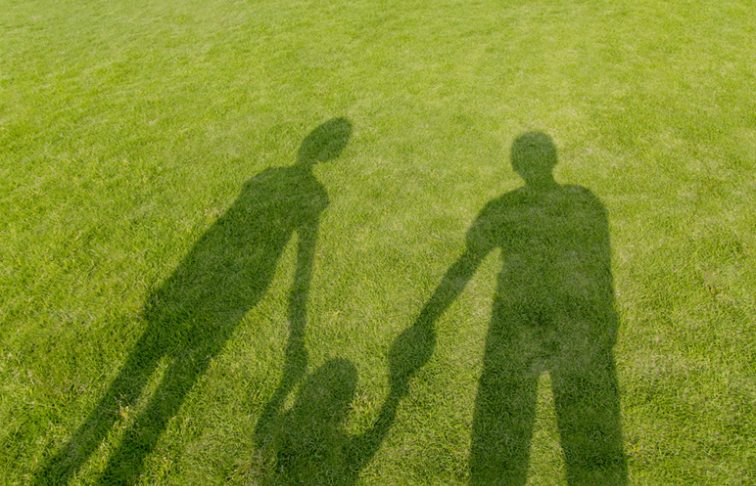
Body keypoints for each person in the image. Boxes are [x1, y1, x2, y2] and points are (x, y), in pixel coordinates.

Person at [36, 118, 352, 486]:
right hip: (243, 281)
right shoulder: (312, 191)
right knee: (172, 370)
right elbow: (301, 253)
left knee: (149, 363)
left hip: (204, 275)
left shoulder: (268, 177)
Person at [391, 132, 627, 485]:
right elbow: (600, 261)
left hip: (521, 325)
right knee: (590, 433)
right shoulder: (585, 201)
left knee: (503, 425)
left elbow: (467, 261)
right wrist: (607, 313)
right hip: (570, 324)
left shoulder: (503, 206)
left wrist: (427, 319)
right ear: (554, 161)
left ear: (515, 166)